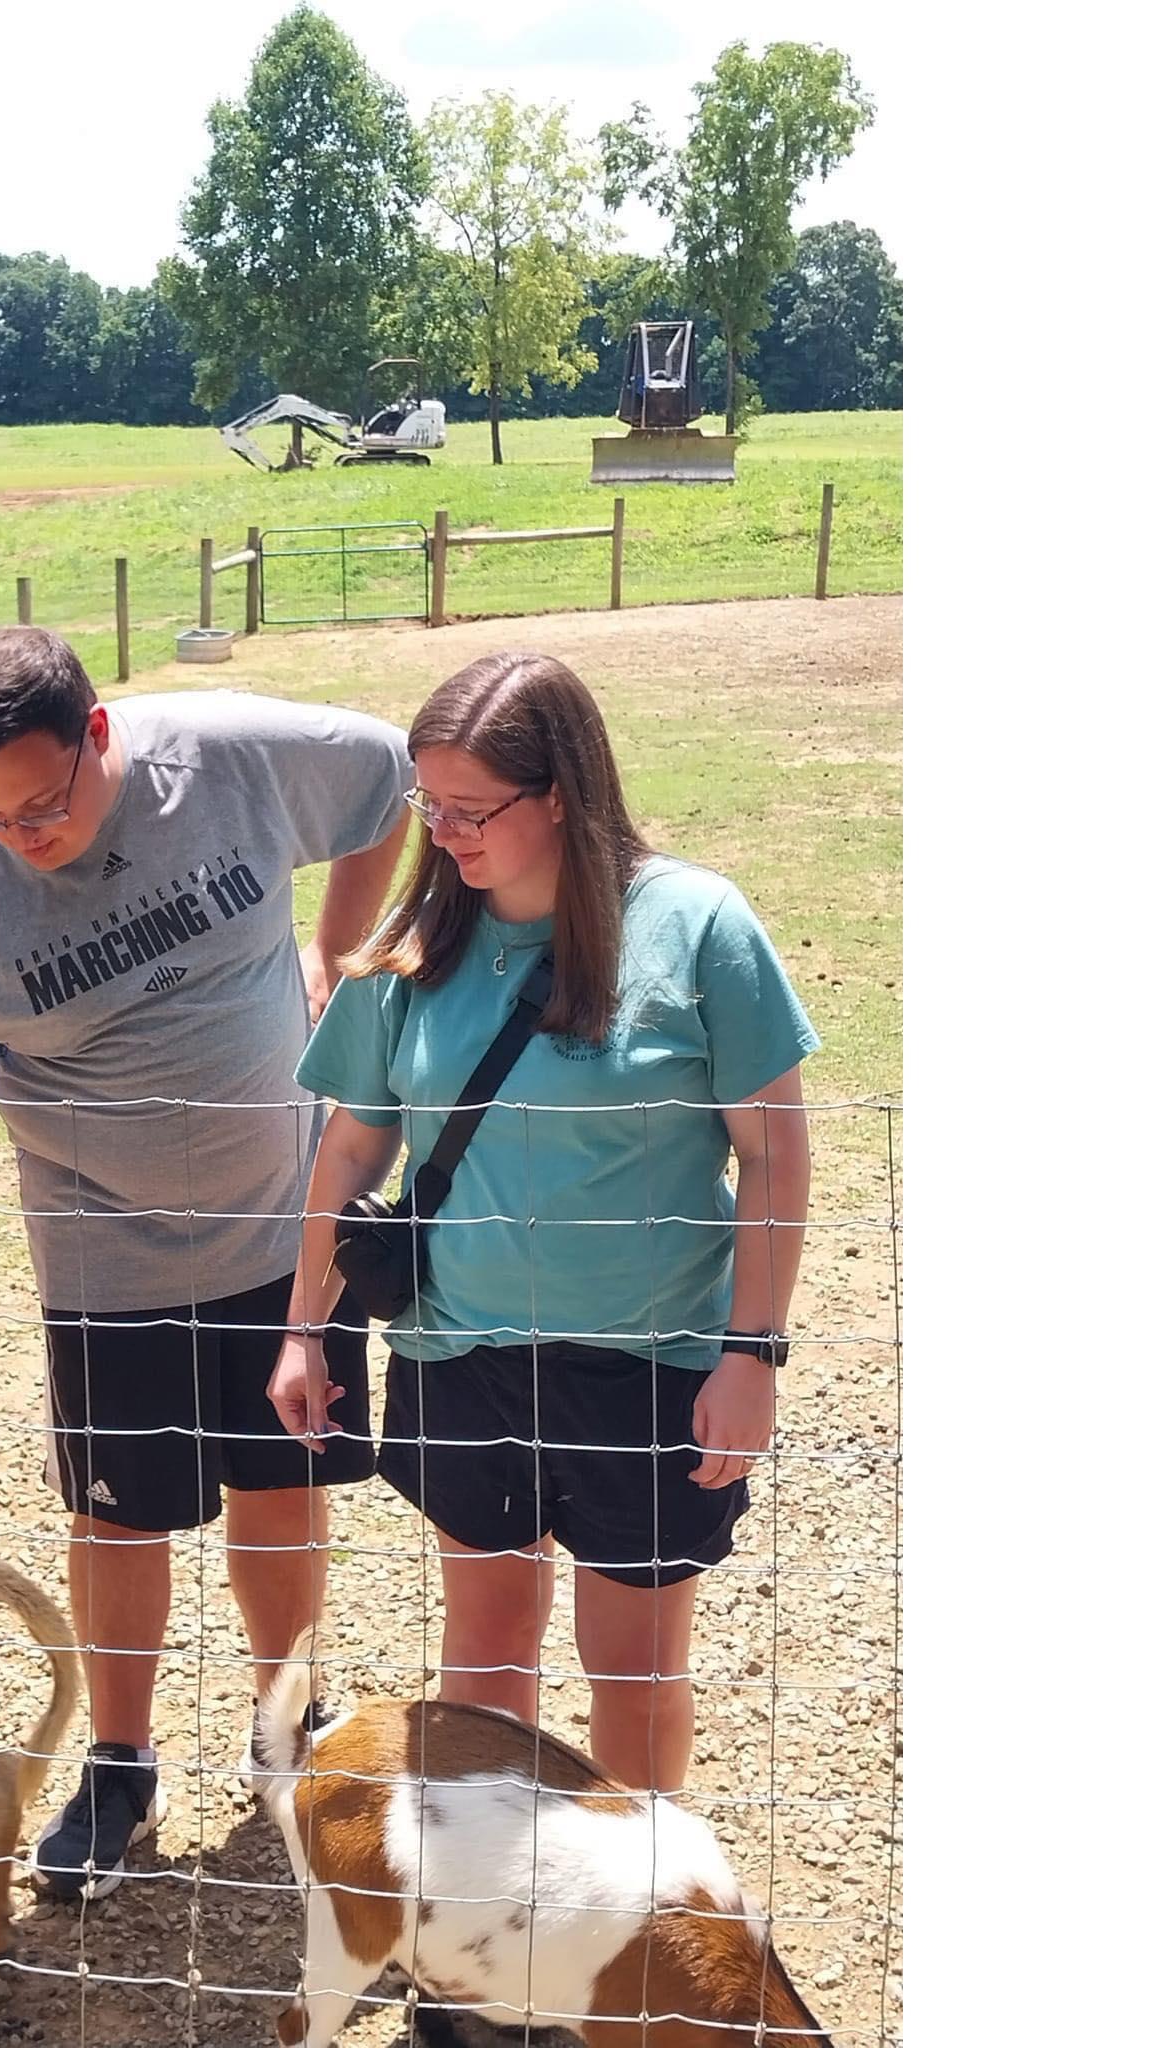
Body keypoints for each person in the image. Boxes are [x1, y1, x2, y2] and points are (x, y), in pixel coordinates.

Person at [0, 626, 410, 1902]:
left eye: (43, 801)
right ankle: (120, 1761)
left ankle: (285, 1725)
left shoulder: (225, 758)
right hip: (104, 1253)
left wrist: (338, 967)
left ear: (95, 731)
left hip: (279, 1224)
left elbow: (384, 780)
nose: (22, 834)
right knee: (116, 1509)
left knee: (281, 1480)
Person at [269, 651, 816, 1794]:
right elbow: (353, 1142)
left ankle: (639, 1921)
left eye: (471, 809)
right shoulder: (410, 947)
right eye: (430, 805)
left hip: (647, 1363)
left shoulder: (697, 926)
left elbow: (772, 1153)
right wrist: (303, 1329)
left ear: (559, 792)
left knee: (632, 1670)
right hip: (457, 1351)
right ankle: (487, 1925)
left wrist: (750, 1353)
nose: (446, 833)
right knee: (484, 1653)